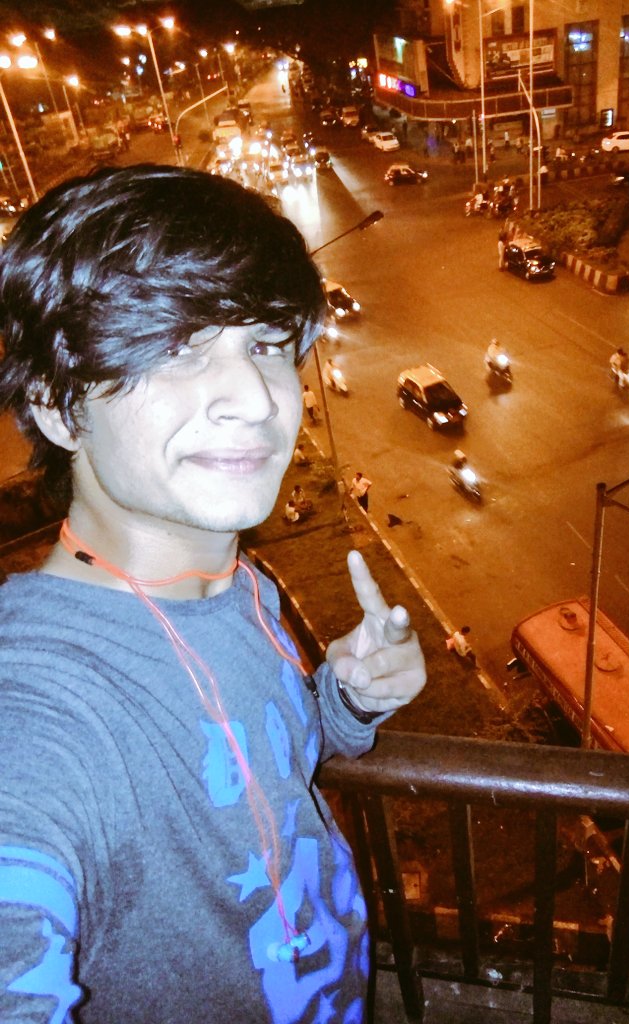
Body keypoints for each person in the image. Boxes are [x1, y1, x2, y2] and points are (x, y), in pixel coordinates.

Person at [0, 164, 426, 1024]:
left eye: (266, 343)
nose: (256, 397)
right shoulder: (42, 703)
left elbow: (259, 757)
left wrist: (346, 699)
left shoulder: (240, 589)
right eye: (175, 347)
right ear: (57, 408)